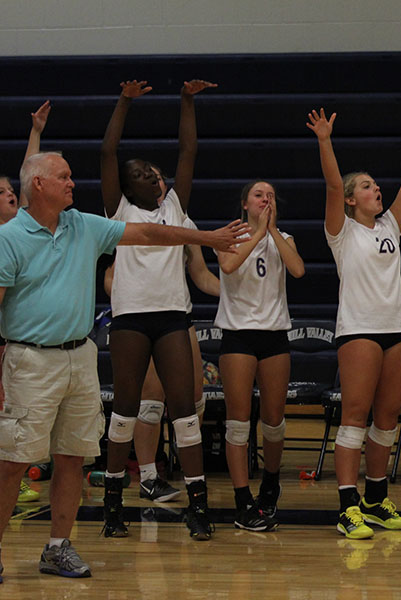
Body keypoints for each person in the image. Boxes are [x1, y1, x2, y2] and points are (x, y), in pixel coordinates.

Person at [0, 152, 246, 581]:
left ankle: (58, 547)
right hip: (30, 360)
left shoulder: (84, 225)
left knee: (73, 457)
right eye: (63, 177)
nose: (72, 183)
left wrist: (207, 238)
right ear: (38, 184)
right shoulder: (9, 237)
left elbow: (150, 232)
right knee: (13, 463)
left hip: (79, 356)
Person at [307, 96, 401, 539]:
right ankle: (348, 507)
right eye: (365, 186)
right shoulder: (342, 231)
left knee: (388, 417)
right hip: (359, 331)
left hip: (394, 331)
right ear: (351, 199)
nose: (375, 189)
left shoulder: (389, 227)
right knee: (355, 415)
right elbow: (331, 186)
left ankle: (375, 499)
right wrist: (325, 142)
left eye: (373, 185)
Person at [99, 78, 219, 540]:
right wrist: (124, 100)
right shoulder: (118, 210)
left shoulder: (174, 204)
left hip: (172, 315)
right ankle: (113, 507)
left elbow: (187, 152)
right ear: (130, 186)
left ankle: (199, 507)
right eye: (145, 174)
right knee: (125, 409)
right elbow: (108, 153)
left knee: (184, 410)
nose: (156, 177)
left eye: (155, 172)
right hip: (130, 319)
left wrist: (186, 101)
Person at [102, 194, 220, 503]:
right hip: (142, 319)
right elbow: (110, 277)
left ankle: (191, 476)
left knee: (194, 400)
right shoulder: (127, 219)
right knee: (150, 401)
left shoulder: (184, 221)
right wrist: (137, 296)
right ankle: (149, 476)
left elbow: (202, 276)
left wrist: (237, 295)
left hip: (178, 318)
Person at [216, 180, 304, 531]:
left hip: (274, 337)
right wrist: (258, 233)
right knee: (238, 423)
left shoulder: (284, 238)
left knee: (274, 420)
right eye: (258, 194)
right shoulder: (228, 236)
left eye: (270, 195)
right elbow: (228, 266)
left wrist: (273, 233)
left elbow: (297, 269)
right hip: (238, 336)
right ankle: (242, 501)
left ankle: (270, 483)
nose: (265, 199)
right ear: (244, 203)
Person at [2, 100, 51, 507]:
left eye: (9, 191)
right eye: (0, 193)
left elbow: (28, 172)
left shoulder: (22, 230)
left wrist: (36, 131)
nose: (8, 195)